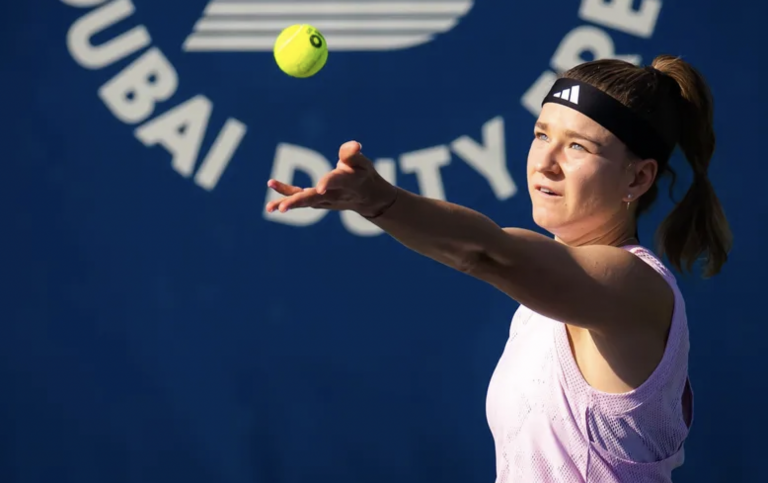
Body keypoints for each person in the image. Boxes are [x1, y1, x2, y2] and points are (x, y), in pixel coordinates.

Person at [264, 55, 732, 482]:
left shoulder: (633, 287)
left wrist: (381, 201)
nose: (544, 163)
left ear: (638, 177)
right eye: (542, 135)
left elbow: (485, 253)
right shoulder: (544, 304)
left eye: (578, 148)